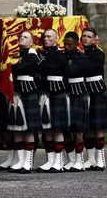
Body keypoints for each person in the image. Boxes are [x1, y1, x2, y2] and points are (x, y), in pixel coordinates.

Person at [7, 31, 42, 173]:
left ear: (32, 42)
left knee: (28, 129)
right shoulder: (19, 55)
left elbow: (21, 68)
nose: (22, 38)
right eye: (21, 36)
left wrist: (12, 64)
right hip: (17, 93)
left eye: (26, 37)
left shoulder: (33, 55)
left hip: (29, 93)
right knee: (17, 128)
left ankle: (28, 162)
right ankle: (20, 161)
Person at [37, 29, 69, 173]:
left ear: (56, 39)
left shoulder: (60, 54)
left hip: (58, 93)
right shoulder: (43, 54)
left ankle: (59, 161)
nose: (46, 39)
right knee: (47, 128)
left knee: (57, 127)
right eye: (45, 37)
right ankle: (50, 160)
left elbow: (55, 68)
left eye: (49, 36)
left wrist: (41, 64)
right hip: (45, 93)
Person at [81, 28, 107, 171]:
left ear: (94, 39)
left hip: (97, 91)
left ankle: (100, 160)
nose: (85, 39)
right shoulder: (80, 53)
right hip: (85, 90)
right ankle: (91, 159)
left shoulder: (98, 53)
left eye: (89, 36)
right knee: (88, 127)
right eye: (84, 36)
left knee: (98, 128)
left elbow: (91, 67)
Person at [63, 31, 90, 172]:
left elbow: (74, 71)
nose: (66, 46)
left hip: (79, 93)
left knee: (78, 128)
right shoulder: (62, 56)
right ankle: (71, 159)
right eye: (65, 44)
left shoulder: (81, 57)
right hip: (66, 93)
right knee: (66, 128)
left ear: (76, 44)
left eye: (69, 44)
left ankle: (80, 160)